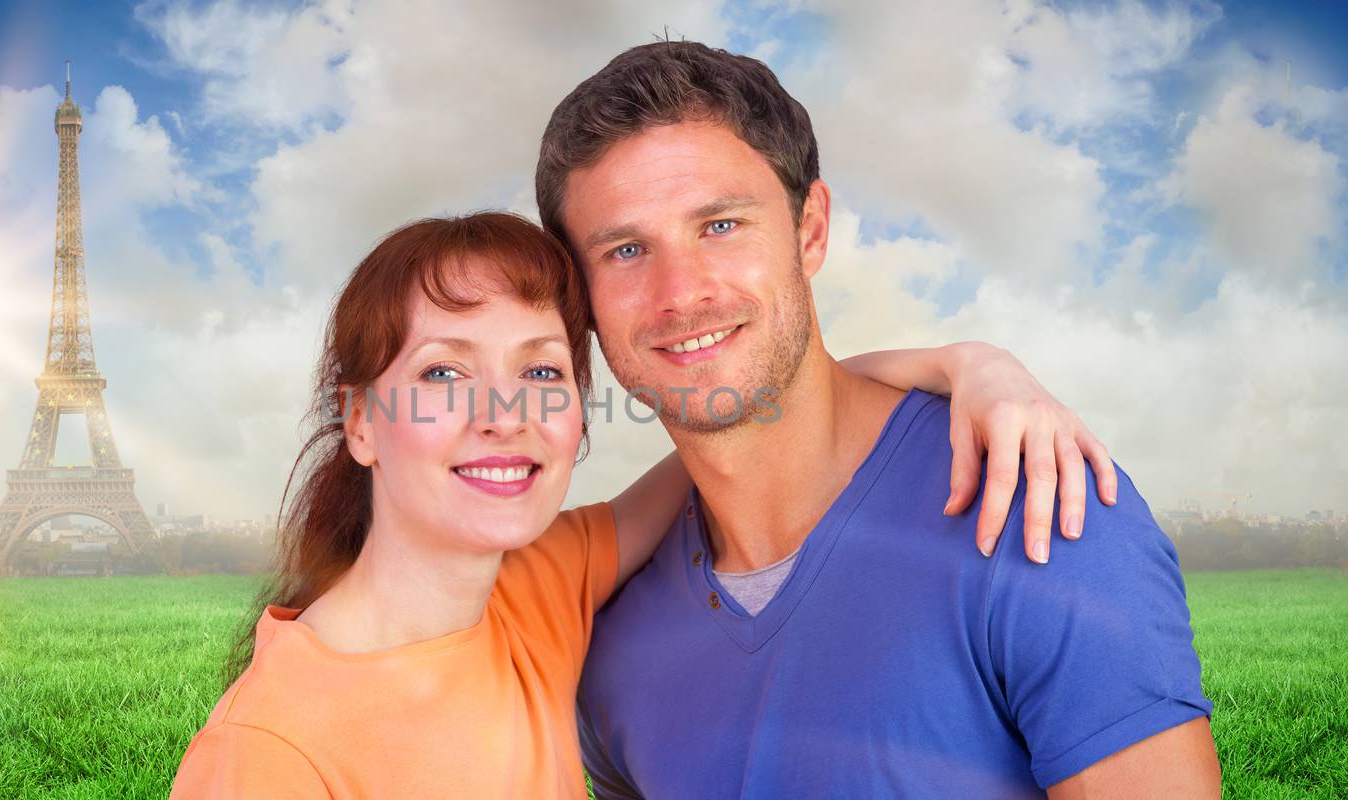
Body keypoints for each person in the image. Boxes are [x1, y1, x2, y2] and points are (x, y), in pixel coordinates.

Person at [167, 212, 1116, 798]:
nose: (505, 417)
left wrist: (971, 364)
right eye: (445, 374)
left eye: (540, 370)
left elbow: (764, 414)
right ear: (361, 423)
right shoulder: (267, 752)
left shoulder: (536, 586)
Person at [543, 42, 1221, 798]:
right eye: (627, 249)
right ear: (583, 301)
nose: (681, 291)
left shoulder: (1040, 510)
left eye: (722, 226)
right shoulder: (612, 643)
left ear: (810, 231)